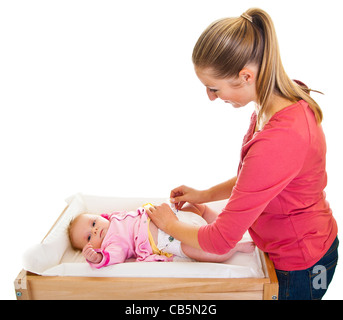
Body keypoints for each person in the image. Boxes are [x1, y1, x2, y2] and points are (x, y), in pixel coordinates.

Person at [146, 8, 338, 300]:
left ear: (246, 76)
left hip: (303, 264)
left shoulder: (280, 138)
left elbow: (220, 240)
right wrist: (203, 194)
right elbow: (254, 179)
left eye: (213, 88)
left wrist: (170, 226)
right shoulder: (272, 103)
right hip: (292, 246)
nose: (211, 97)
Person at [67, 202, 254, 268]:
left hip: (171, 217)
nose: (94, 230)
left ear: (100, 217)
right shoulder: (111, 244)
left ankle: (223, 223)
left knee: (198, 208)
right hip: (167, 240)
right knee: (197, 250)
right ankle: (234, 246)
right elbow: (112, 257)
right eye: (89, 237)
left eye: (93, 223)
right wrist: (97, 258)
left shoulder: (115, 217)